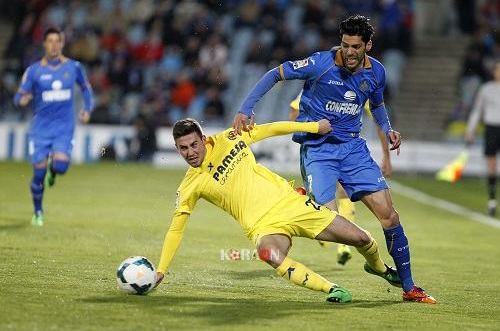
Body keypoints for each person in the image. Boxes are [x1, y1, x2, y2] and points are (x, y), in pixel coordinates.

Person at [232, 15, 436, 303]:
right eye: (345, 45)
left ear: (368, 45)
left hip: (353, 149)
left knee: (389, 215)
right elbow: (275, 74)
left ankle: (409, 287)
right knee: (325, 224)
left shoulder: (376, 72)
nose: (349, 52)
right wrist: (246, 108)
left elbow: (376, 106)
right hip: (318, 149)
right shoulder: (320, 63)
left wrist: (388, 130)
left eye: (355, 46)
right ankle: (303, 202)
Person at [155, 118, 402, 303]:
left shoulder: (230, 138)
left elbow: (271, 129)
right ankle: (331, 289)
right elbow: (176, 229)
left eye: (193, 145)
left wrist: (314, 127)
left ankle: (380, 268)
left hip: (290, 204)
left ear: (203, 138)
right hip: (263, 227)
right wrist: (161, 271)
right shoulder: (190, 185)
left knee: (360, 238)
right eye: (183, 148)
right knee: (268, 254)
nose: (190, 153)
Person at [289, 91, 392, 266]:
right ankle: (316, 213)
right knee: (324, 207)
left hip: (345, 149)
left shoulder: (359, 86)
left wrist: (386, 156)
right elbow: (294, 113)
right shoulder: (319, 82)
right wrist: (311, 128)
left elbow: (379, 120)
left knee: (343, 191)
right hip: (319, 151)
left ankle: (344, 246)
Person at [13, 27, 94, 226]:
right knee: (38, 174)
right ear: (44, 44)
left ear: (62, 43)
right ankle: (38, 212)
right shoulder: (34, 70)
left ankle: (54, 170)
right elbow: (18, 96)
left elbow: (86, 88)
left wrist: (87, 109)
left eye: (57, 41)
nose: (54, 45)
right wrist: (22, 100)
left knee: (61, 166)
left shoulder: (73, 67)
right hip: (40, 129)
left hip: (64, 127)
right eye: (50, 41)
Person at [465, 61, 500, 216]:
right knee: (491, 164)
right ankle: (492, 201)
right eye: (498, 69)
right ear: (494, 71)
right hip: (492, 128)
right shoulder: (486, 89)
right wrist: (470, 130)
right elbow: (477, 110)